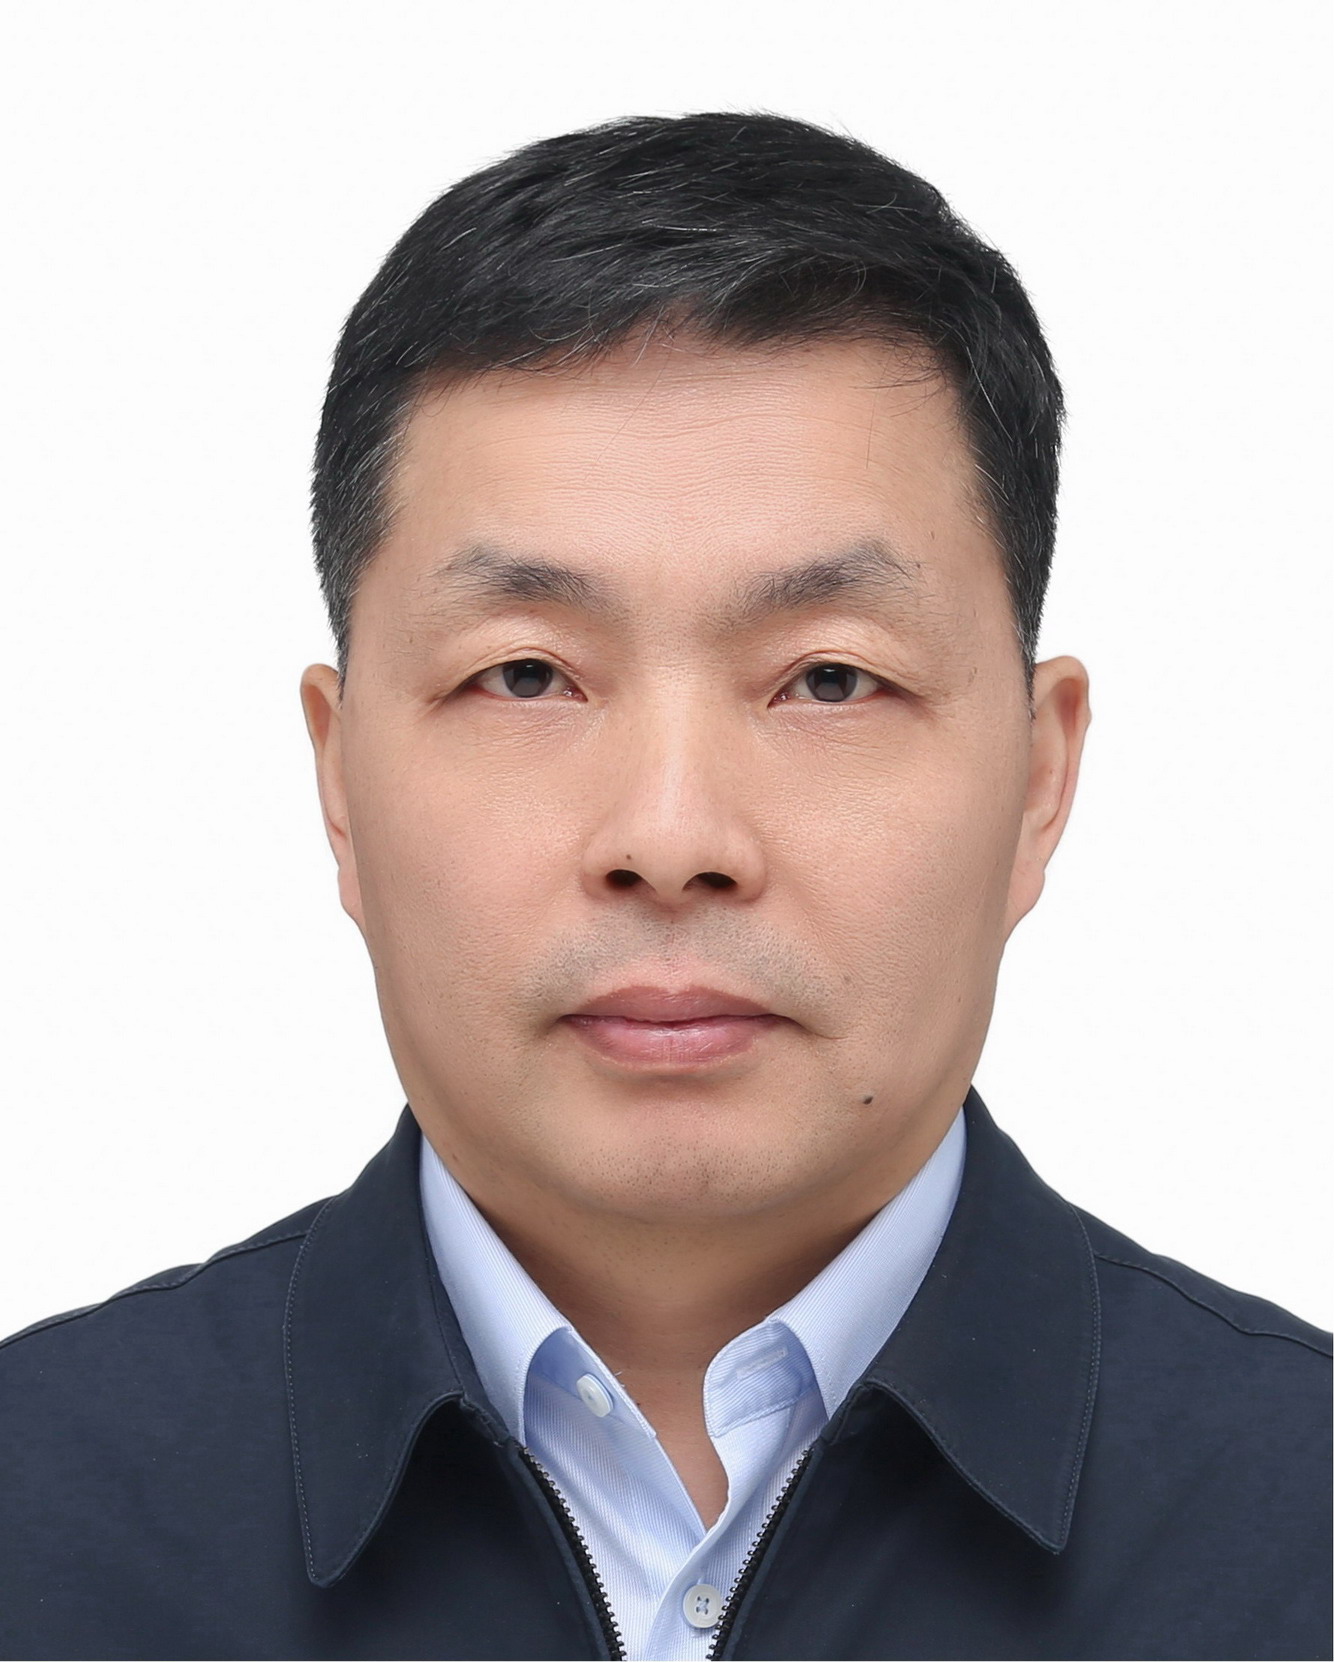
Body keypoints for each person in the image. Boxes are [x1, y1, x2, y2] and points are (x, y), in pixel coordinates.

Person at [1, 111, 1328, 1662]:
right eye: (525, 675)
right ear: (339, 778)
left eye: (828, 677)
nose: (672, 832)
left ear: (1039, 778)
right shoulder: (41, 1514)